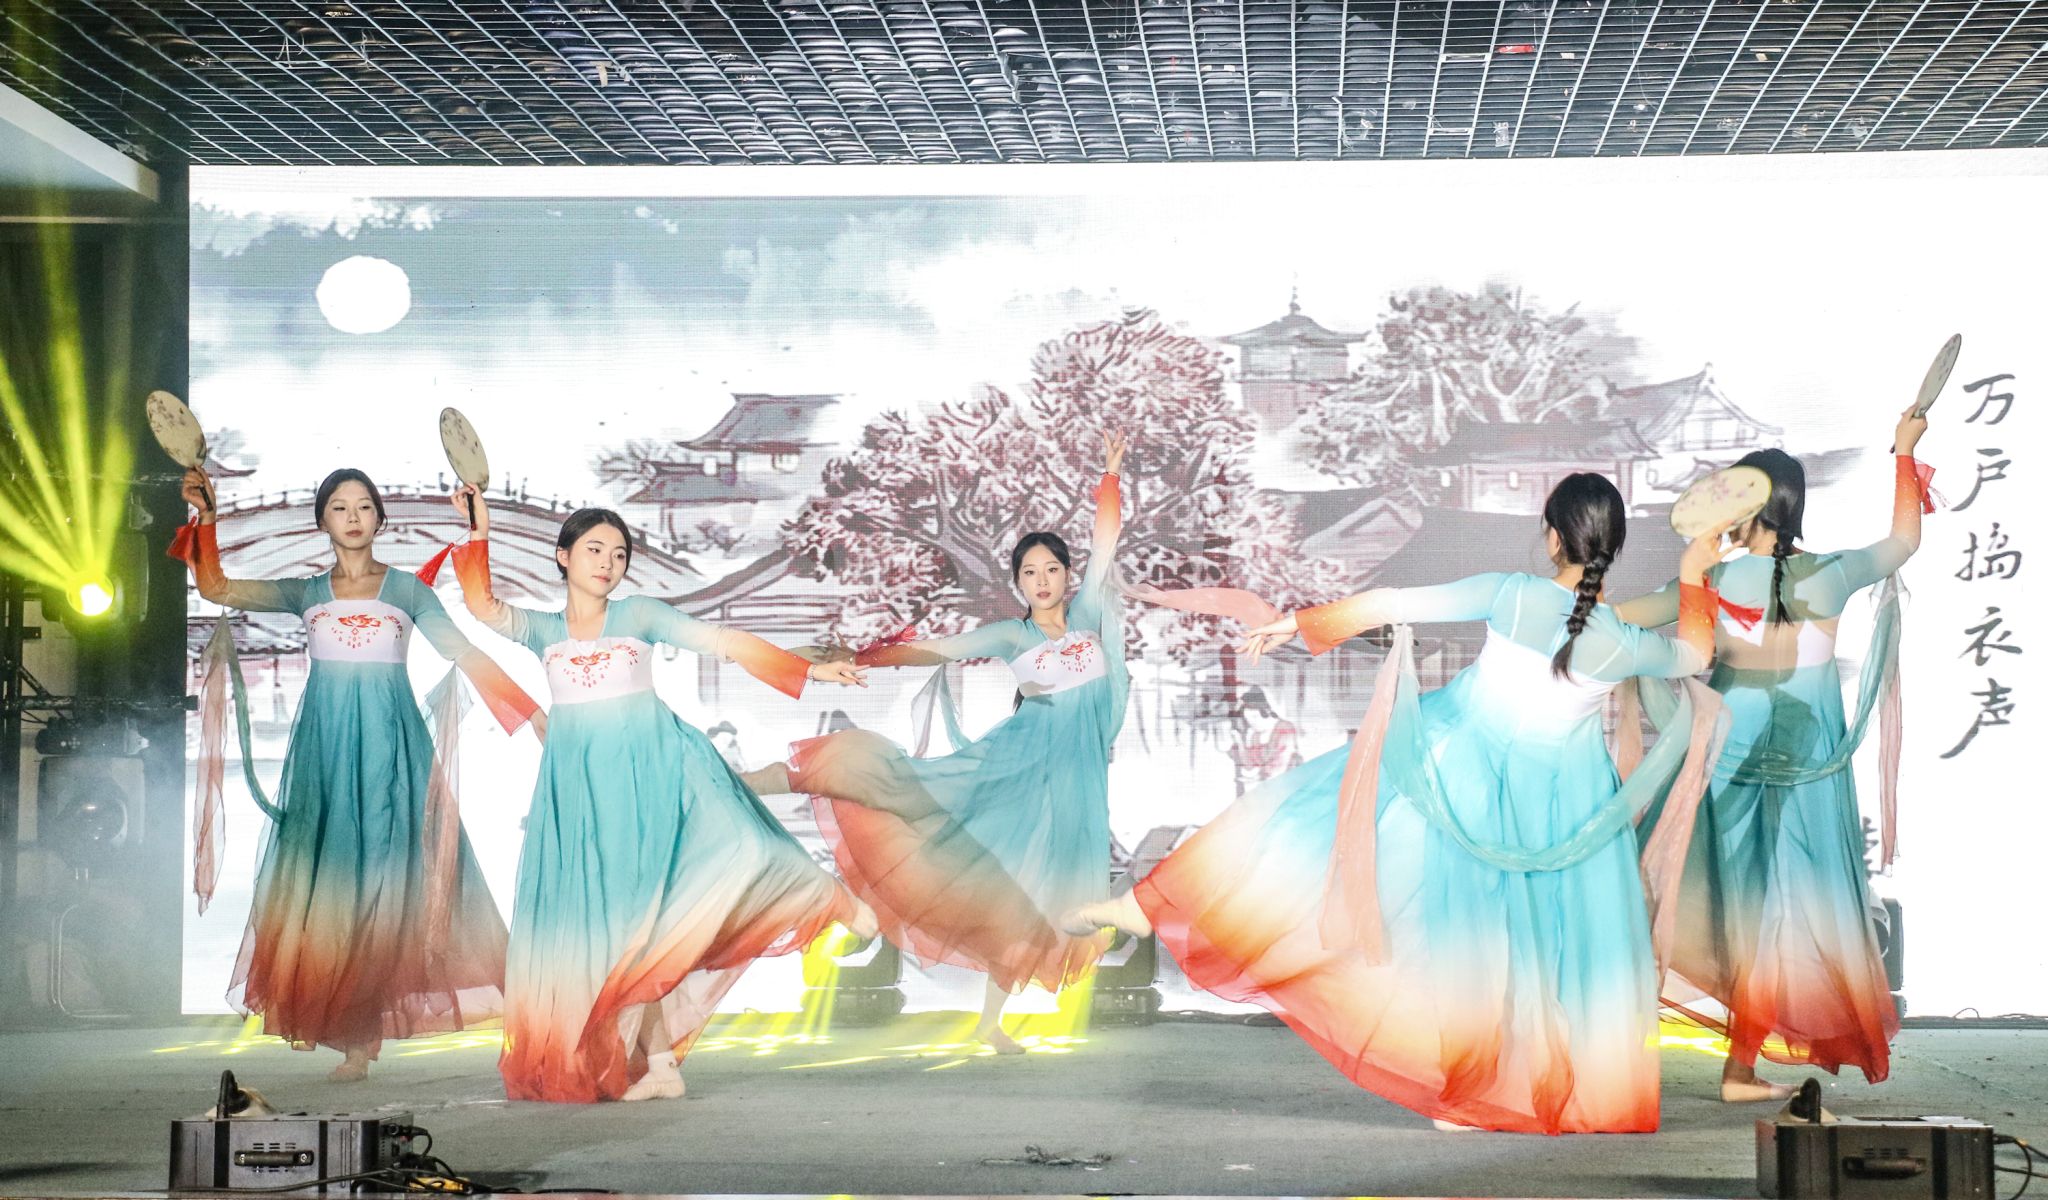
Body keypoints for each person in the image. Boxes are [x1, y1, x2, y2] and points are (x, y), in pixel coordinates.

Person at [1071, 473, 1728, 1133]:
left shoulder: (1511, 593)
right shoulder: (1622, 641)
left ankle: (1147, 905)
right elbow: (1695, 650)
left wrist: (1295, 622)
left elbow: (1391, 602)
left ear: (1552, 536)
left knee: (1313, 831)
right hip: (1563, 810)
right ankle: (1490, 1093)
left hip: (1462, 776)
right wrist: (1694, 572)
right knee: (1540, 950)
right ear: (1612, 546)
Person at [447, 487, 874, 1103]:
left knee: (747, 850)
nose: (608, 562)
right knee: (626, 937)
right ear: (563, 556)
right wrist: (480, 531)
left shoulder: (639, 614)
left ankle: (829, 899)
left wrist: (806, 669)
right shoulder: (543, 630)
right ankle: (662, 1067)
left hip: (653, 775)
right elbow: (483, 606)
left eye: (619, 554)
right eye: (594, 549)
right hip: (583, 799)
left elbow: (722, 641)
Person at [747, 432, 1131, 1054]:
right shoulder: (1012, 634)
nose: (1041, 580)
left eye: (1051, 569)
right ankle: (773, 778)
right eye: (1029, 572)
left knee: (1033, 901)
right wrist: (865, 656)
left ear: (1067, 575)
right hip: (1014, 768)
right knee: (905, 787)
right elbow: (937, 651)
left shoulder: (1088, 619)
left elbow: (1106, 542)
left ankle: (989, 1025)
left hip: (1074, 788)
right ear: (1018, 582)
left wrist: (1109, 478)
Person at [178, 466, 536, 1082]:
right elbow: (215, 588)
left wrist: (530, 715)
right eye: (339, 507)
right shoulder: (306, 592)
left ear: (380, 518)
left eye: (364, 506)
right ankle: (354, 1036)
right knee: (335, 890)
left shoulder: (407, 592)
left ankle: (366, 1034)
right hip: (325, 756)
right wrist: (206, 518)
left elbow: (463, 651)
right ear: (322, 519)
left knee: (389, 887)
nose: (352, 517)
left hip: (392, 754)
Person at [1614, 408, 1932, 1099]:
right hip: (1805, 764)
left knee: (1707, 899)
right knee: (1776, 916)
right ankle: (1738, 1069)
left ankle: (1609, 1040)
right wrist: (1905, 452)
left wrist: (1559, 608)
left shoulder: (1714, 581)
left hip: (1727, 758)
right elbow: (1905, 541)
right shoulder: (1832, 573)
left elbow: (1621, 620)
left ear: (1753, 508)